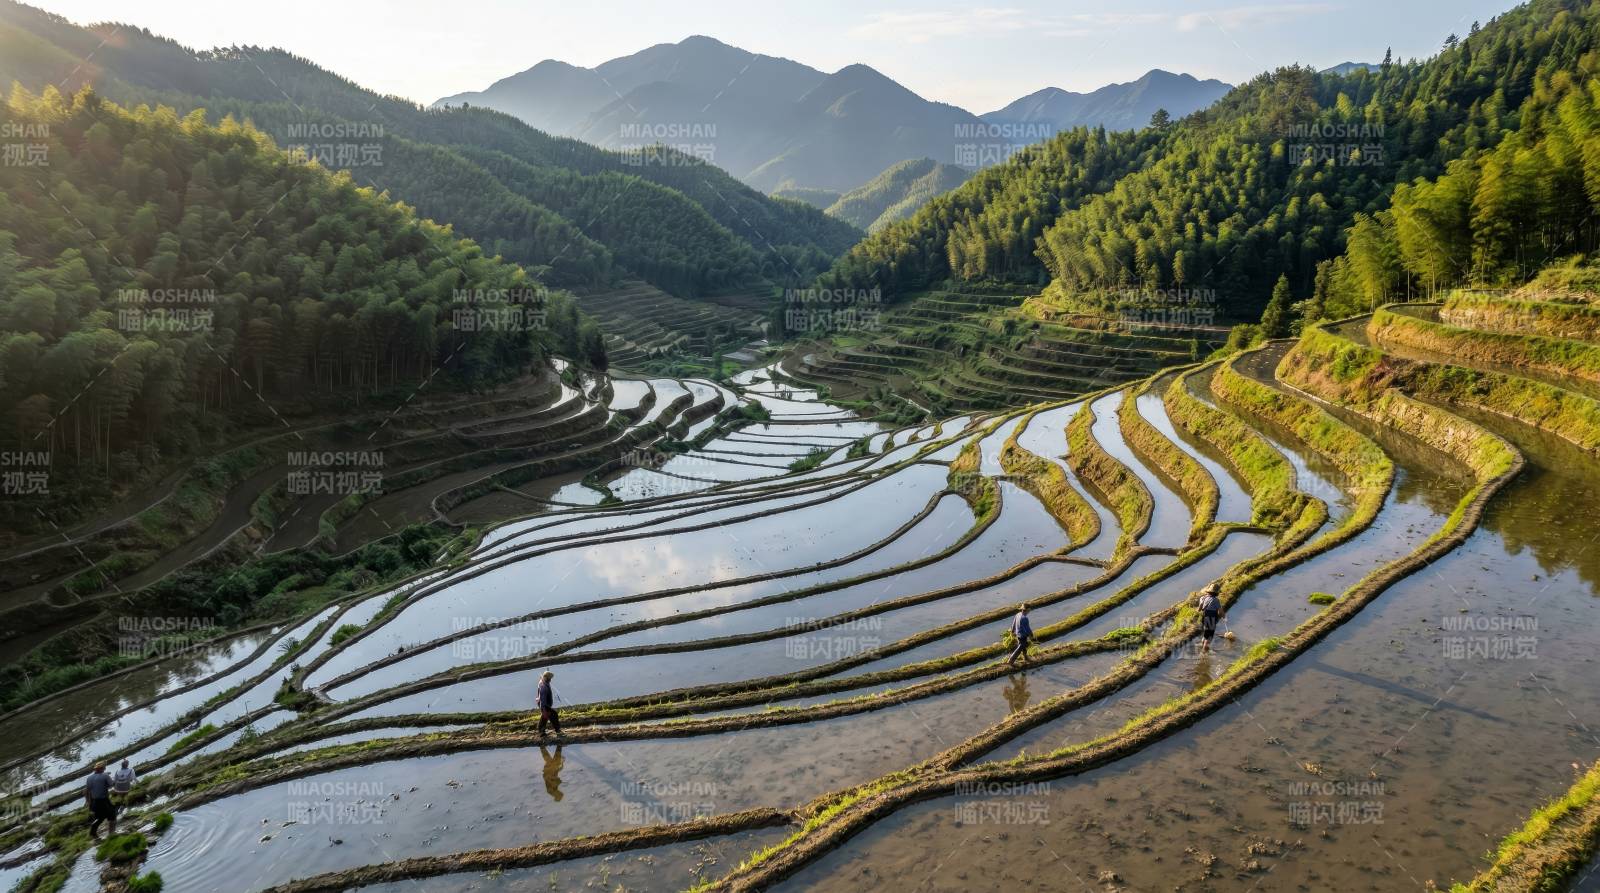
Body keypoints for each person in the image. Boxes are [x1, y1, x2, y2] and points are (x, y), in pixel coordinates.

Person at [84, 764, 117, 838]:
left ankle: (93, 832)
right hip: (104, 800)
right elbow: (112, 784)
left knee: (100, 818)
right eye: (104, 768)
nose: (104, 769)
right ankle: (111, 834)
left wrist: (88, 802)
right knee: (112, 815)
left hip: (95, 801)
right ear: (102, 769)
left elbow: (87, 791)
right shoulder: (105, 775)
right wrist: (115, 779)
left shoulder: (89, 778)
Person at [1197, 583, 1225, 653]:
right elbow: (1220, 611)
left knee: (1206, 634)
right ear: (1217, 592)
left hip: (1204, 617)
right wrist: (1223, 617)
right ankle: (1204, 653)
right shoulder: (1216, 600)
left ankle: (1202, 645)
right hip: (1211, 618)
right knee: (1209, 636)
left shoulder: (1203, 598)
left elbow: (1199, 609)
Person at [537, 671, 561, 738]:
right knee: (553, 715)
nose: (550, 680)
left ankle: (542, 731)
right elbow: (543, 700)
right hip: (545, 705)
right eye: (549, 678)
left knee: (545, 717)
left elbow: (541, 679)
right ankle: (557, 730)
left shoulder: (543, 682)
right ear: (546, 678)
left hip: (545, 704)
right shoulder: (543, 687)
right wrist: (544, 710)